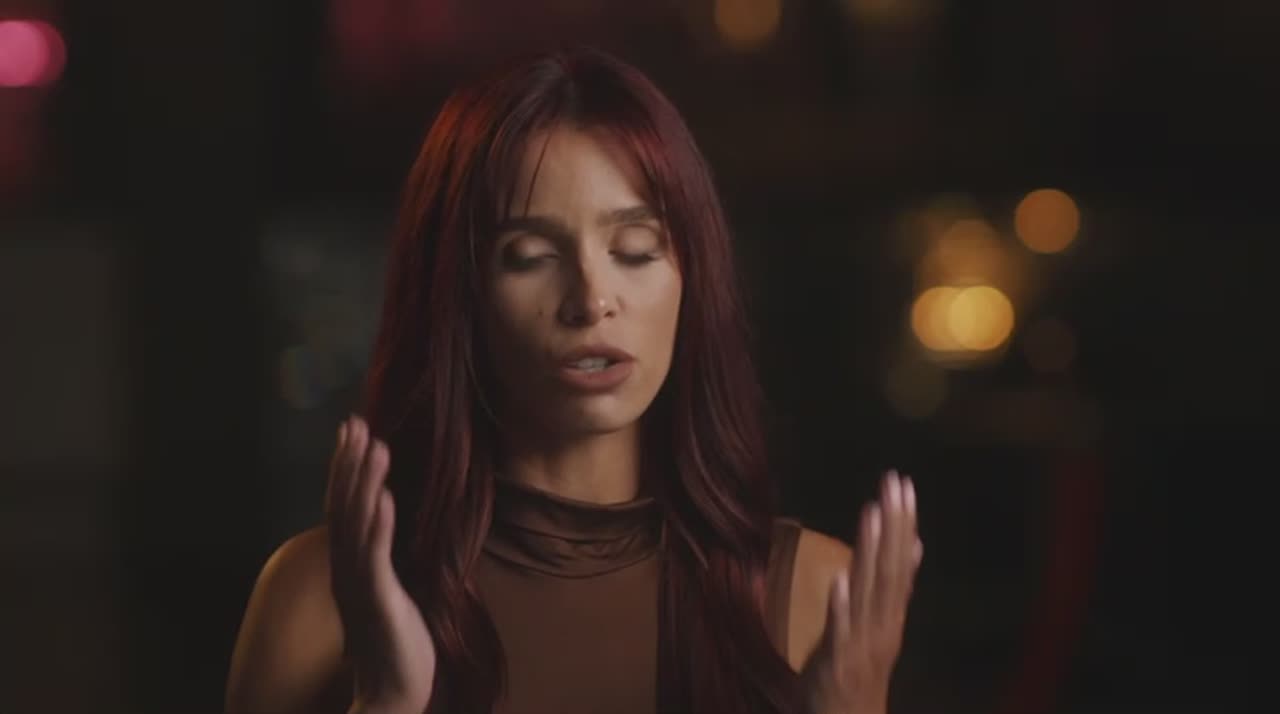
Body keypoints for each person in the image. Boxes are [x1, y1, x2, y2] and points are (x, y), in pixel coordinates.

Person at [225, 47, 923, 714]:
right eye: (530, 256)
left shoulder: (818, 598)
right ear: (457, 293)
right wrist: (385, 702)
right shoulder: (320, 600)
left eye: (636, 251)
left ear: (693, 279)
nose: (591, 300)